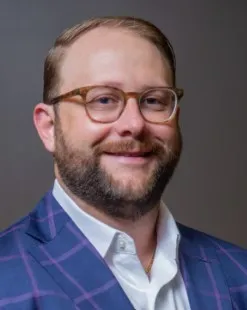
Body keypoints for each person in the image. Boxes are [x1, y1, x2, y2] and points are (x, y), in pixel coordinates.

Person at [0, 16, 246, 310]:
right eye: (103, 100)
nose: (134, 124)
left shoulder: (239, 274)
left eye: (153, 100)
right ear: (49, 127)